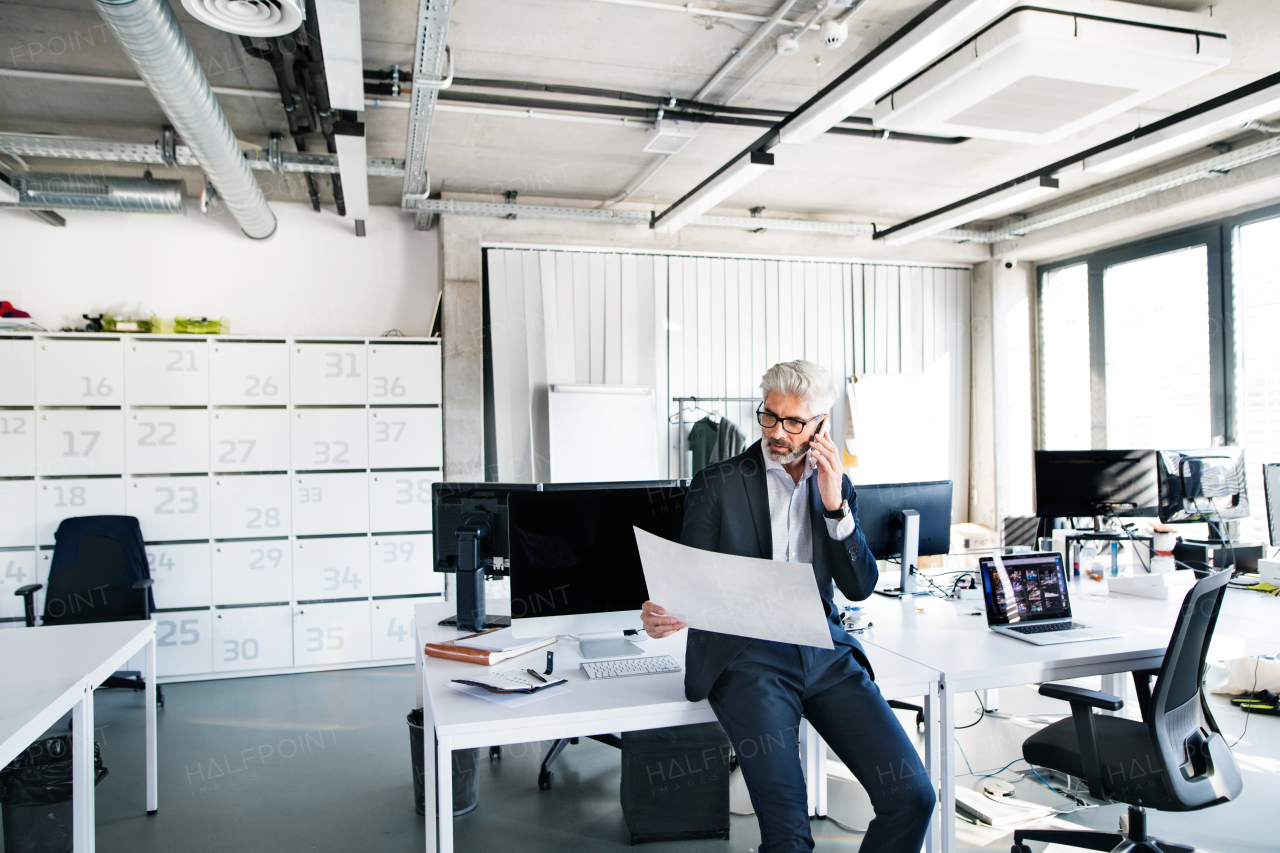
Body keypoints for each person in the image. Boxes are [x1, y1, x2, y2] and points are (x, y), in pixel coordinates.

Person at [642, 360, 935, 853]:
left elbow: (860, 587)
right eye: (769, 416)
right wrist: (662, 614)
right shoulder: (718, 483)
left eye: (794, 422)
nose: (777, 432)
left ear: (822, 425)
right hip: (747, 658)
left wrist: (835, 506)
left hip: (824, 653)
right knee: (789, 838)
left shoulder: (836, 485)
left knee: (913, 797)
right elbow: (686, 582)